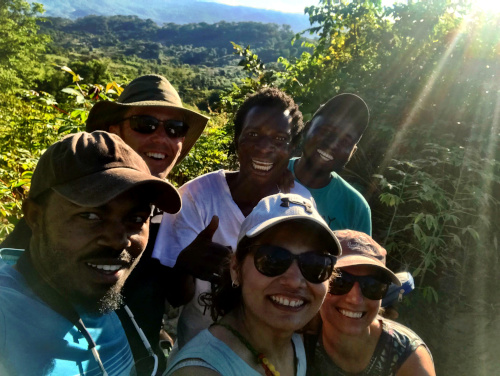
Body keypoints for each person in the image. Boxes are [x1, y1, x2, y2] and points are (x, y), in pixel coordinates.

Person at [0, 131, 182, 375]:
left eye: (136, 219)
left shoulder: (88, 288)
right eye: (90, 216)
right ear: (34, 217)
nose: (117, 240)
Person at [153, 88, 313, 347]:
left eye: (279, 139)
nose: (264, 148)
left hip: (270, 352)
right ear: (236, 139)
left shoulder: (299, 203)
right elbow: (173, 297)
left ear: (292, 147)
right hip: (201, 351)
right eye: (253, 135)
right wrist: (185, 266)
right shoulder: (196, 197)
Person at [165, 193, 341, 376]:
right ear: (236, 268)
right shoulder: (199, 371)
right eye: (272, 259)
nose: (295, 281)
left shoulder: (297, 340)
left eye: (315, 264)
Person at [306, 230, 435, 376]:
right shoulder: (297, 335)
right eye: (340, 281)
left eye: (372, 285)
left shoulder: (407, 357)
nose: (355, 299)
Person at [288, 94, 372, 235]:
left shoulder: (356, 207)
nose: (332, 144)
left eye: (345, 141)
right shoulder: (268, 175)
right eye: (326, 132)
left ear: (352, 151)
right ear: (307, 128)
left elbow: (359, 257)